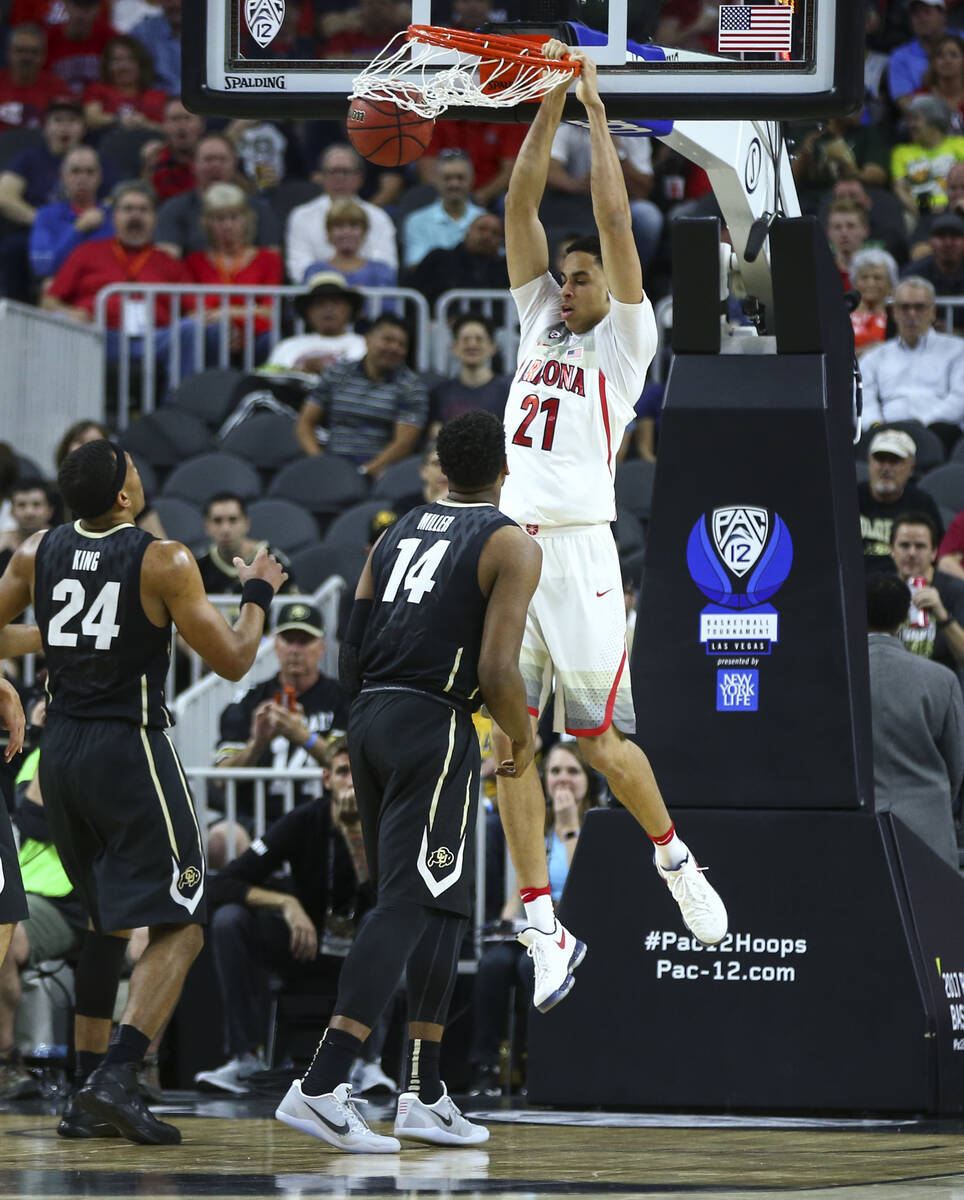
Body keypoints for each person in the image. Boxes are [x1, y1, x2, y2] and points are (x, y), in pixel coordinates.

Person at [491, 40, 728, 1015]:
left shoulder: (630, 336)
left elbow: (611, 221)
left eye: (582, 272)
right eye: (566, 274)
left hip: (582, 548)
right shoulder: (535, 319)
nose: (570, 280)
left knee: (594, 746)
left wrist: (592, 106)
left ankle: (673, 858)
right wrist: (543, 102)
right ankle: (540, 919)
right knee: (501, 741)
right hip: (508, 546)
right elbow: (518, 207)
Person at [0, 438, 287, 1145]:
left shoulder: (38, 550)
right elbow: (234, 659)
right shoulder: (164, 558)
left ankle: (84, 1092)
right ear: (126, 498)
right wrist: (258, 592)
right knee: (185, 919)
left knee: (107, 927)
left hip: (59, 753)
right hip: (128, 751)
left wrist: (53, 643)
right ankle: (118, 1078)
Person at [275, 408, 541, 1153]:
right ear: (505, 466)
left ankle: (423, 1090)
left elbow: (352, 643)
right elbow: (495, 669)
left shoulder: (394, 532)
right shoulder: (510, 542)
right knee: (405, 900)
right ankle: (324, 1083)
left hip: (370, 713)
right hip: (436, 722)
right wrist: (520, 735)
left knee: (442, 899)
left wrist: (368, 726)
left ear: (441, 467)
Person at [198, 737, 375, 1094]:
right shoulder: (304, 819)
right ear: (326, 778)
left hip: (359, 945)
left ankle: (368, 1064)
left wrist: (355, 832)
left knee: (381, 927)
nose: (350, 784)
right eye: (343, 773)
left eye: (359, 776)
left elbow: (383, 900)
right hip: (304, 941)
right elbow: (225, 883)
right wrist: (285, 904)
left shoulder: (383, 823)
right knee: (230, 920)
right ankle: (244, 1058)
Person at [469, 742, 601, 1097]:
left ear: (587, 779)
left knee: (531, 972)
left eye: (572, 771)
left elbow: (587, 886)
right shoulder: (537, 826)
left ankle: (539, 1064)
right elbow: (522, 887)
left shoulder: (598, 825)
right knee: (494, 966)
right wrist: (506, 920)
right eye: (555, 771)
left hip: (574, 933)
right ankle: (487, 1066)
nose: (563, 779)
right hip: (533, 931)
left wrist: (570, 827)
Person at [43, 180, 197, 380]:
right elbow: (48, 302)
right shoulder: (87, 252)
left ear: (155, 219)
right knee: (61, 323)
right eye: (128, 209)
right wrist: (70, 313)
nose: (135, 215)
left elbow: (195, 309)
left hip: (155, 339)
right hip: (98, 336)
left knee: (191, 330)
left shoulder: (169, 262)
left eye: (143, 210)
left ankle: (179, 408)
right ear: (114, 217)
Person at [866, 572, 964, 870]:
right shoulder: (942, 679)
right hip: (929, 833)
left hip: (861, 831)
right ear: (906, 618)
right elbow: (956, 765)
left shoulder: (833, 679)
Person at [215, 601, 349, 816]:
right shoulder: (248, 701)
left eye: (304, 641)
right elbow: (221, 778)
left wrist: (304, 737)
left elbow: (348, 768)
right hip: (254, 818)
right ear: (276, 645)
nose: (295, 650)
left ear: (322, 647)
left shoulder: (342, 699)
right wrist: (257, 743)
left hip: (323, 818)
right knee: (220, 839)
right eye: (288, 640)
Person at [294, 313, 428, 478]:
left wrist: (366, 471)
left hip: (379, 472)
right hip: (330, 463)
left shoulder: (411, 387)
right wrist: (318, 460)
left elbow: (404, 443)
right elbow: (305, 422)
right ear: (367, 340)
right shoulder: (338, 372)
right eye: (387, 340)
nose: (394, 348)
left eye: (401, 344)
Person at [184, 181, 283, 366]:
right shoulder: (193, 262)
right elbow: (192, 313)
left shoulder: (268, 259)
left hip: (257, 339)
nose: (227, 225)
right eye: (220, 219)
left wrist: (226, 313)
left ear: (246, 220)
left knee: (272, 339)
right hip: (211, 340)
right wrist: (224, 325)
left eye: (234, 217)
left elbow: (270, 311)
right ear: (207, 223)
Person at [0, 96, 88, 301]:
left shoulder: (93, 159)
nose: (64, 127)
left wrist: (79, 226)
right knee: (14, 247)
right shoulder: (29, 159)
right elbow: (4, 196)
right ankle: (17, 313)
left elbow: (114, 198)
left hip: (84, 231)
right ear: (46, 127)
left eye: (72, 121)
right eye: (58, 120)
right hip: (36, 231)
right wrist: (43, 221)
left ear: (83, 128)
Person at [860, 277, 964, 441]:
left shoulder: (958, 350)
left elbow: (959, 399)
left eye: (919, 307)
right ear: (893, 311)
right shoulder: (874, 357)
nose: (911, 314)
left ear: (933, 311)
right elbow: (863, 398)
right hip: (886, 435)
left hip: (938, 433)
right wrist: (876, 426)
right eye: (904, 307)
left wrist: (920, 424)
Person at [547, 121, 663, 268]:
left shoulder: (635, 132)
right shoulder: (571, 126)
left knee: (648, 215)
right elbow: (549, 170)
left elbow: (643, 189)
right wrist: (573, 184)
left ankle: (632, 281)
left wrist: (615, 151)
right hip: (578, 200)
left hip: (619, 203)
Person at [285, 144, 398, 285]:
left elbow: (386, 267)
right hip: (318, 297)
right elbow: (299, 270)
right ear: (321, 177)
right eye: (333, 171)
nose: (339, 178)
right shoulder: (301, 216)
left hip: (368, 299)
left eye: (346, 171)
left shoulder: (378, 217)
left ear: (360, 177)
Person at [155, 134, 280, 260]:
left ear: (234, 163)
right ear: (194, 165)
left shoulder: (259, 210)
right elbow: (166, 262)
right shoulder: (174, 209)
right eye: (208, 159)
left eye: (222, 159)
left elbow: (272, 259)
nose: (215, 165)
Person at [890, 512, 964, 682]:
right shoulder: (882, 590)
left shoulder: (956, 590)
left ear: (934, 552)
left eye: (920, 546)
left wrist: (943, 616)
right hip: (895, 684)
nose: (912, 553)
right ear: (891, 549)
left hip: (941, 687)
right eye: (904, 545)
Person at [859, 429, 945, 571]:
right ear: (870, 462)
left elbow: (937, 555)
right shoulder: (849, 499)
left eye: (894, 461)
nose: (886, 468)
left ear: (911, 467)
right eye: (880, 459)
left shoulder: (922, 504)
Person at [28, 144, 112, 282]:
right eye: (75, 171)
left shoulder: (115, 216)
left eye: (90, 172)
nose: (82, 178)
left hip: (105, 286)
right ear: (63, 177)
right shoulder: (45, 216)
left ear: (99, 177)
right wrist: (78, 229)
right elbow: (42, 267)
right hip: (64, 290)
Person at [263, 270, 366, 376]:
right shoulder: (287, 346)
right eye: (320, 304)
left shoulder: (365, 345)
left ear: (350, 309)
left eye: (335, 303)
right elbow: (271, 379)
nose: (328, 309)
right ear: (308, 312)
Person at [195, 492, 297, 598]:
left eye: (233, 520)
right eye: (217, 521)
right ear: (206, 527)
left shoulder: (273, 561)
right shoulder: (198, 567)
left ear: (247, 524)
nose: (225, 529)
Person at [406, 212, 510, 310]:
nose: (487, 236)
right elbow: (415, 298)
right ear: (467, 232)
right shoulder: (438, 259)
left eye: (495, 233)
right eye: (481, 229)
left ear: (501, 241)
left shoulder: (507, 270)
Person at [428, 315, 510, 438]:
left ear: (493, 347)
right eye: (465, 339)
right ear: (454, 347)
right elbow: (435, 433)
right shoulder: (441, 392)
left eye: (479, 339)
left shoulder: (508, 391)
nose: (472, 344)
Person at [402, 150, 485, 270]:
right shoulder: (416, 221)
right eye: (447, 178)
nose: (454, 184)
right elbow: (415, 266)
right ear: (436, 181)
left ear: (472, 180)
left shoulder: (485, 221)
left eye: (460, 178)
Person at [892, 94, 964, 223]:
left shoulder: (959, 145)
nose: (910, 125)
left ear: (934, 122)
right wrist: (919, 212)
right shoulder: (901, 152)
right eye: (909, 120)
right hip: (918, 213)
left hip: (956, 208)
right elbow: (899, 188)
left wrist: (952, 206)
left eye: (916, 119)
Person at [300, 197, 397, 289]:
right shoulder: (315, 271)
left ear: (364, 231)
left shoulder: (381, 271)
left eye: (354, 226)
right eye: (339, 226)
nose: (347, 232)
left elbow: (389, 305)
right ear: (329, 232)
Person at [82, 33, 167, 132]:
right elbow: (91, 119)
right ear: (107, 65)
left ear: (141, 64)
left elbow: (170, 128)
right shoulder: (96, 90)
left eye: (131, 60)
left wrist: (144, 123)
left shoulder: (159, 96)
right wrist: (119, 119)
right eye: (116, 60)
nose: (124, 66)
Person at [901, 211, 964, 327]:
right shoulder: (913, 274)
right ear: (930, 241)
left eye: (955, 236)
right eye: (941, 236)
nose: (948, 243)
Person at [0, 23, 63, 131]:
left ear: (44, 56)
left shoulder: (58, 88)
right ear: (8, 53)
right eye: (20, 51)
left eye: (34, 52)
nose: (27, 57)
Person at [890, 0, 950, 111]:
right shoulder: (900, 56)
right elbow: (904, 102)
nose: (921, 18)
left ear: (943, 15)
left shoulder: (962, 41)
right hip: (924, 122)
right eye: (915, 13)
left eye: (927, 11)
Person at [148, 96, 204, 203]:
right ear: (164, 125)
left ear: (201, 125)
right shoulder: (155, 161)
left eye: (187, 118)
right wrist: (148, 169)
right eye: (175, 119)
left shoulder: (213, 159)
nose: (181, 126)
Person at [0, 479, 56, 573]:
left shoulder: (61, 542)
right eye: (21, 505)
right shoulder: (3, 542)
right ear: (11, 511)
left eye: (36, 505)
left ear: (49, 510)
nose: (29, 512)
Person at [850, 248, 897, 359]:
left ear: (891, 285)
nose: (871, 283)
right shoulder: (841, 317)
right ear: (854, 283)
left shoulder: (899, 318)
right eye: (864, 277)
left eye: (878, 278)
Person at [130, 0, 181, 95]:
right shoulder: (143, 32)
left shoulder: (211, 29)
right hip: (156, 102)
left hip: (201, 103)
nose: (176, 4)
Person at [919, 32, 964, 131]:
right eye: (940, 55)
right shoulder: (921, 98)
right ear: (933, 62)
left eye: (954, 55)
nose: (947, 60)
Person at [825, 198, 869, 291]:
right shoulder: (821, 272)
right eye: (837, 227)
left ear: (865, 230)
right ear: (828, 232)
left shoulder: (877, 273)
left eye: (850, 226)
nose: (844, 233)